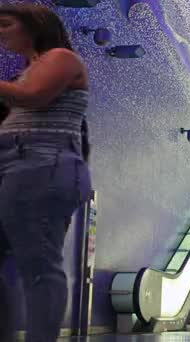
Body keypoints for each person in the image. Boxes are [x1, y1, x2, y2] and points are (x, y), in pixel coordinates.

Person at [0, 4, 92, 341]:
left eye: (7, 24)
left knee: (39, 265)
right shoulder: (30, 67)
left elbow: (34, 98)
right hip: (20, 168)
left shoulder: (60, 58)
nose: (0, 32)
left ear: (34, 26)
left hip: (42, 166)